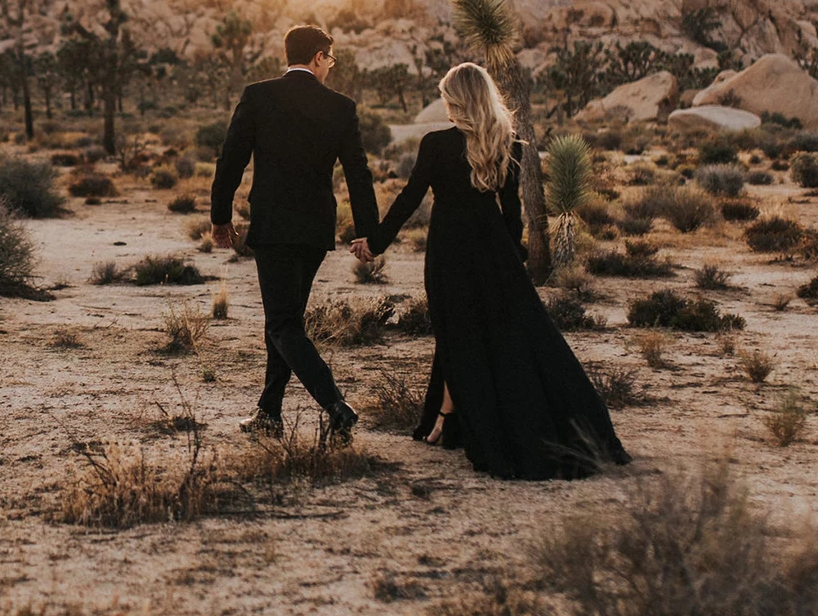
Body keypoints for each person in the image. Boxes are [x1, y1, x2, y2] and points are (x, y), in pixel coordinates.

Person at [351, 62, 630, 479]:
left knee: (456, 330)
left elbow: (409, 200)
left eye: (447, 97)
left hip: (450, 252)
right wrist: (510, 258)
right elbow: (511, 214)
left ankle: (451, 420)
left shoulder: (436, 145)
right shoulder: (509, 143)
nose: (444, 104)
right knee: (507, 336)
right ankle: (448, 418)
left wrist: (375, 243)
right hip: (495, 251)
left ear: (458, 101)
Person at [211, 24, 379, 443]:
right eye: (330, 60)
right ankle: (269, 412)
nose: (330, 68)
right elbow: (358, 173)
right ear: (319, 57)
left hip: (273, 224)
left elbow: (230, 159)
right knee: (286, 322)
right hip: (316, 227)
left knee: (282, 323)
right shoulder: (341, 107)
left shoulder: (258, 96)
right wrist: (368, 231)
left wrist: (220, 216)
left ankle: (336, 404)